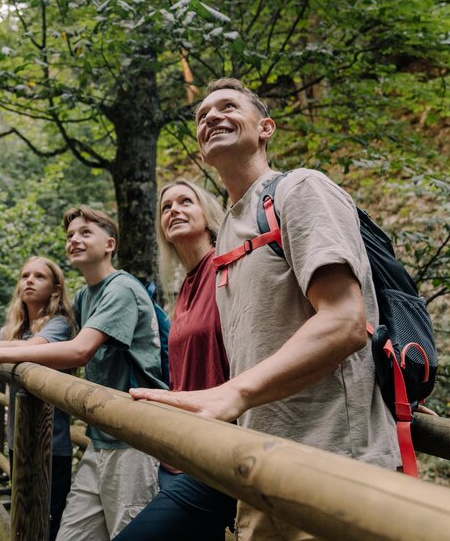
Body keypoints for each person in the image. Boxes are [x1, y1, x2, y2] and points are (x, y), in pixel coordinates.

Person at [130, 78, 400, 541]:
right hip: (259, 467)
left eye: (228, 107)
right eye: (201, 115)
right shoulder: (230, 233)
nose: (211, 116)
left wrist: (234, 392)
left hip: (334, 463)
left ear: (266, 128)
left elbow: (345, 321)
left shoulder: (301, 190)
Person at [0, 206, 166, 541]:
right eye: (70, 235)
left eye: (86, 233)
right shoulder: (86, 296)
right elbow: (33, 337)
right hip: (100, 437)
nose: (75, 240)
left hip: (134, 437)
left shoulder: (121, 288)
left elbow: (78, 350)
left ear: (110, 244)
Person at [113, 179, 235, 541]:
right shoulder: (183, 288)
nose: (174, 210)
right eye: (166, 207)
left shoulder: (227, 269)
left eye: (186, 202)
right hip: (180, 453)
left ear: (208, 214)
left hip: (218, 456)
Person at [0, 256, 76, 539]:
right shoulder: (18, 327)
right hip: (19, 438)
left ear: (55, 290)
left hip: (52, 444)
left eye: (39, 276)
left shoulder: (58, 325)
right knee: (23, 513)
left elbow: (31, 347)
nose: (29, 280)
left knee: (47, 521)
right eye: (25, 275)